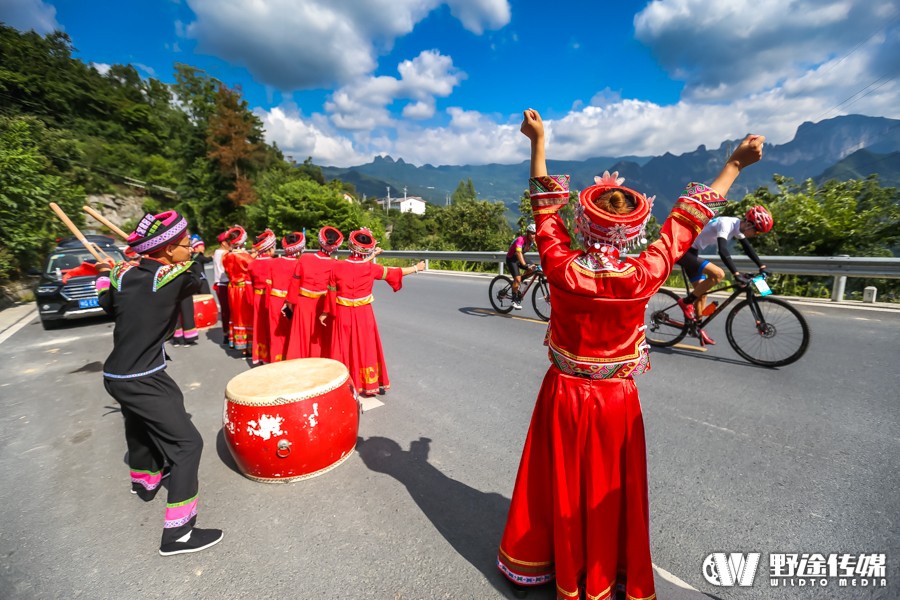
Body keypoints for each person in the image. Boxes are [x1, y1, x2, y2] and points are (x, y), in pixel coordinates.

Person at [497, 108, 764, 600]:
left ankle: (551, 560)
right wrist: (734, 165)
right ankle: (603, 570)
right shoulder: (646, 273)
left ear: (585, 223)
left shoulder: (560, 264)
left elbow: (544, 211)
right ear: (633, 229)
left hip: (563, 390)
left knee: (556, 475)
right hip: (617, 397)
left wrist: (538, 140)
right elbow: (687, 220)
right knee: (607, 487)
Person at [96, 210, 223, 556]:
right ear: (167, 251)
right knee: (188, 445)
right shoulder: (175, 276)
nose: (191, 249)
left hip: (118, 374)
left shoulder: (121, 275)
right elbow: (199, 279)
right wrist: (185, 257)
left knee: (140, 425)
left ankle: (146, 481)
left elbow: (107, 303)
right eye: (185, 245)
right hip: (143, 377)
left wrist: (110, 270)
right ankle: (179, 534)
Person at [324, 229, 425, 396]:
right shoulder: (371, 269)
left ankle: (343, 383)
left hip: (343, 313)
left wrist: (326, 313)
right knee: (366, 347)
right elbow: (395, 272)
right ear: (367, 250)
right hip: (364, 314)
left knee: (345, 348)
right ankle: (368, 384)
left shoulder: (337, 267)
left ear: (350, 246)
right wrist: (416, 267)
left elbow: (331, 292)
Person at [675, 206, 774, 345]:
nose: (756, 234)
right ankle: (685, 303)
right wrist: (736, 273)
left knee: (701, 293)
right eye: (757, 231)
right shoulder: (726, 224)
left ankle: (696, 328)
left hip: (692, 251)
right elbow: (722, 250)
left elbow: (747, 248)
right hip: (682, 249)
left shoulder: (738, 228)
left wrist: (762, 266)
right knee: (718, 274)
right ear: (749, 224)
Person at [284, 226, 344, 360]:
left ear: (319, 241)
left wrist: (290, 302)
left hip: (302, 303)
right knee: (320, 339)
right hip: (323, 305)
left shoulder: (304, 258)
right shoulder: (335, 264)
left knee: (300, 338)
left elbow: (295, 282)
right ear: (335, 247)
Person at [267, 232, 304, 362]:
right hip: (291, 302)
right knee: (293, 334)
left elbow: (268, 285)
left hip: (274, 300)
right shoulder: (299, 265)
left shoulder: (273, 262)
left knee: (275, 335)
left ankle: (276, 361)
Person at [172, 235, 212, 346]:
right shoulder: (183, 260)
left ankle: (181, 337)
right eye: (186, 247)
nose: (190, 249)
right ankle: (183, 337)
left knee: (178, 312)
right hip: (182, 286)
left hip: (176, 287)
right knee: (182, 311)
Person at [222, 226, 254, 355]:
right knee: (247, 315)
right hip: (244, 288)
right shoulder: (246, 257)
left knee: (236, 315)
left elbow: (226, 272)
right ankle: (250, 345)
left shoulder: (226, 256)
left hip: (232, 288)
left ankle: (241, 345)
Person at [248, 229, 277, 364]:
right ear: (270, 249)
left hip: (257, 297)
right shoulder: (275, 263)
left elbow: (249, 286)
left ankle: (261, 356)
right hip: (272, 298)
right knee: (273, 327)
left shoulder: (252, 264)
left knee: (260, 327)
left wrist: (250, 302)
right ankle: (274, 355)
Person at [505, 223, 537, 309]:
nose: (534, 236)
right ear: (527, 233)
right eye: (532, 233)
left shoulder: (532, 242)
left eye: (535, 234)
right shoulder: (521, 240)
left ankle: (519, 281)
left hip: (519, 257)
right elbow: (518, 252)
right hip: (512, 259)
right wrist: (524, 265)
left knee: (534, 268)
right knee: (517, 279)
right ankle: (514, 300)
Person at [212, 231, 232, 345]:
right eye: (229, 241)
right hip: (223, 284)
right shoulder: (223, 253)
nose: (231, 243)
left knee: (227, 310)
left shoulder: (218, 252)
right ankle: (227, 334)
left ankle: (228, 333)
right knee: (227, 311)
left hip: (222, 284)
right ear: (224, 243)